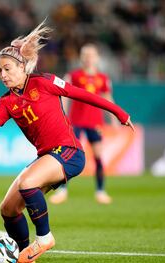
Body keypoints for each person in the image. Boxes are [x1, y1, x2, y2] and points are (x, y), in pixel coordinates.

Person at [0, 20, 134, 263]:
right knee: (8, 208)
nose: (3, 75)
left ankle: (45, 238)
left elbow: (83, 94)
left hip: (69, 152)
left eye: (7, 69)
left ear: (22, 66)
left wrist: (119, 113)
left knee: (28, 183)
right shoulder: (7, 102)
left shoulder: (44, 82)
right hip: (47, 156)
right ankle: (25, 253)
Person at [50, 43, 117, 205]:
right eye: (85, 55)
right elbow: (64, 96)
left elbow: (108, 99)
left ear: (97, 58)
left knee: (98, 156)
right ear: (81, 57)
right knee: (68, 155)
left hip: (95, 122)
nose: (88, 58)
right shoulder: (73, 76)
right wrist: (62, 114)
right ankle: (62, 190)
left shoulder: (103, 79)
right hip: (75, 121)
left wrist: (114, 118)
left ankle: (100, 191)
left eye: (91, 55)